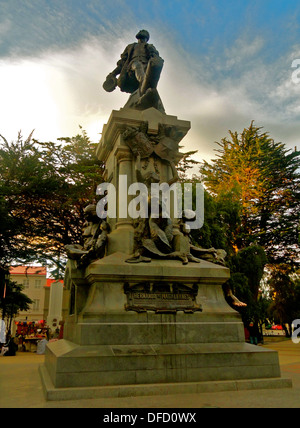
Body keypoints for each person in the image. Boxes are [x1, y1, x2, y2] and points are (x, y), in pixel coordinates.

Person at [103, 30, 165, 112]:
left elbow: (155, 57)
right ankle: (145, 83)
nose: (141, 32)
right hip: (132, 67)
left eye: (144, 32)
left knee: (148, 78)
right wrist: (113, 73)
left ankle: (149, 95)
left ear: (147, 37)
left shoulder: (149, 46)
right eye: (141, 31)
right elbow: (122, 63)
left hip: (146, 66)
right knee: (138, 65)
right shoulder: (131, 47)